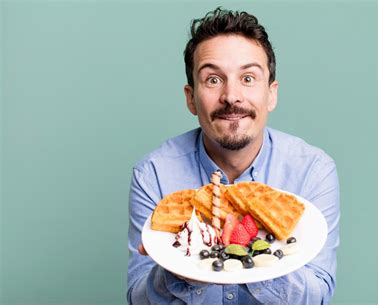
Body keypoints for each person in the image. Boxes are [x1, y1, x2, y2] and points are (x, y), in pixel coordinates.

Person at [127, 7, 340, 305]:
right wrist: (176, 275)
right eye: (213, 79)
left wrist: (255, 248)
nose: (232, 96)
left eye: (248, 78)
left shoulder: (313, 170)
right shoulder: (154, 174)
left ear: (271, 94)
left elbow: (317, 297)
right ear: (191, 98)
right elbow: (138, 299)